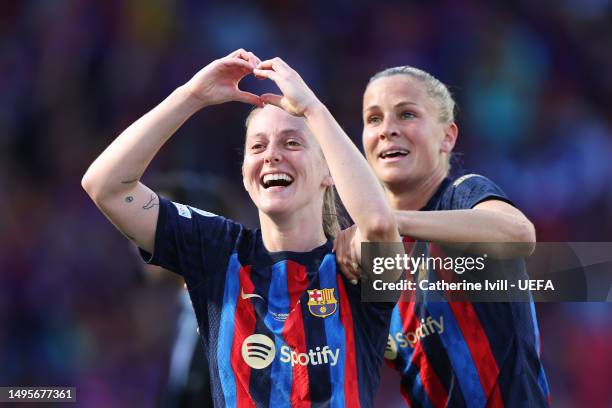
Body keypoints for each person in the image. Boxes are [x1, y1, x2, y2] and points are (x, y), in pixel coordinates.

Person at [81, 49, 401, 407]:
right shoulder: (218, 252)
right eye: (258, 146)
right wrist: (192, 96)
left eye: (292, 142)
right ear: (246, 174)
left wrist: (313, 109)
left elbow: (377, 223)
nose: (272, 155)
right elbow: (106, 186)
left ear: (330, 172)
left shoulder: (352, 267)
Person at [334, 66, 550, 407]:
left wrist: (388, 220)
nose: (387, 130)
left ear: (447, 136)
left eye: (406, 114)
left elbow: (519, 233)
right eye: (373, 119)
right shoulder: (367, 255)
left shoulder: (463, 195)